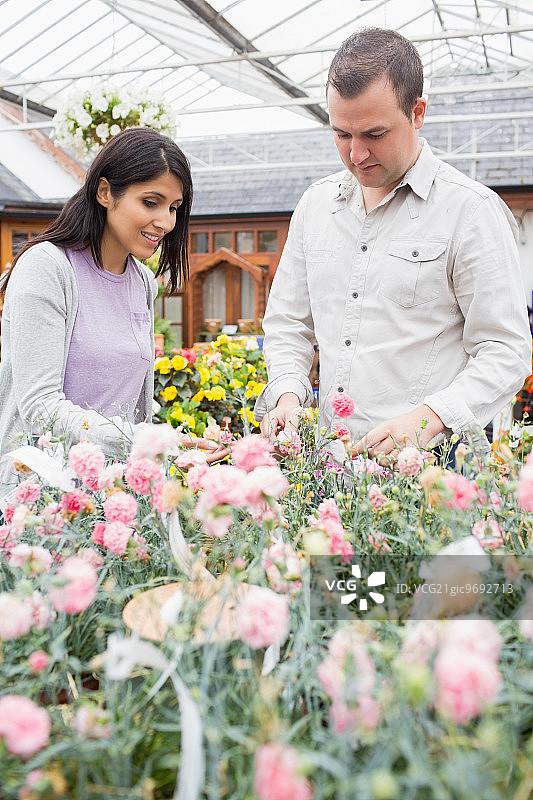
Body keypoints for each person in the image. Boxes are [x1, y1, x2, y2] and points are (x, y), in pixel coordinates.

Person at [256, 27, 531, 461]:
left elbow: (506, 351)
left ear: (417, 113)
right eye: (342, 134)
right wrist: (288, 393)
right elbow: (289, 323)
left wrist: (428, 419)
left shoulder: (470, 211)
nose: (357, 154)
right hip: (329, 470)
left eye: (374, 134)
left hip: (432, 473)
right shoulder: (316, 206)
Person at [0, 127, 222, 505]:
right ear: (105, 192)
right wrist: (150, 442)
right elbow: (40, 409)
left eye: (173, 207)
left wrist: (167, 453)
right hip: (41, 502)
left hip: (115, 499)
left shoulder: (141, 283)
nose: (166, 222)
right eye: (150, 202)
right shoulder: (48, 268)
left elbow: (134, 413)